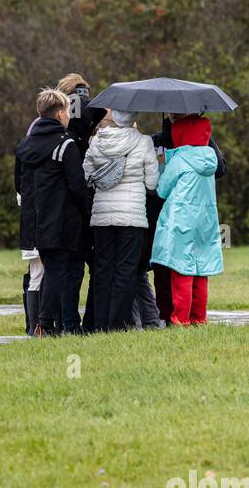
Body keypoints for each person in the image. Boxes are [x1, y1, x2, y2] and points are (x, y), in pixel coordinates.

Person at [15, 88, 90, 335]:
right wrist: (87, 213)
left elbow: (19, 185)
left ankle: (41, 324)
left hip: (34, 221)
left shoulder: (25, 146)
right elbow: (77, 186)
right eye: (68, 111)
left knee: (48, 271)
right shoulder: (65, 145)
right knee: (59, 273)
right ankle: (45, 324)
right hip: (61, 221)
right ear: (60, 113)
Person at [141, 116, 227, 326]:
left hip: (181, 221)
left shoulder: (179, 159)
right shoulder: (211, 158)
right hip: (206, 222)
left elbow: (162, 189)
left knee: (181, 270)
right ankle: (199, 317)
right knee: (200, 271)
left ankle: (180, 318)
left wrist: (163, 165)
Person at [82, 108, 158, 330]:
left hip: (101, 217)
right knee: (126, 270)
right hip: (132, 217)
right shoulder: (143, 142)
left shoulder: (96, 142)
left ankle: (101, 323)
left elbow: (86, 177)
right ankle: (119, 323)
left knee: (103, 269)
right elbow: (152, 184)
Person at [57, 73, 106, 332]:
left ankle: (67, 323)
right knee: (96, 267)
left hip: (68, 209)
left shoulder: (62, 114)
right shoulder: (94, 107)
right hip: (93, 203)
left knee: (70, 271)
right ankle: (92, 322)